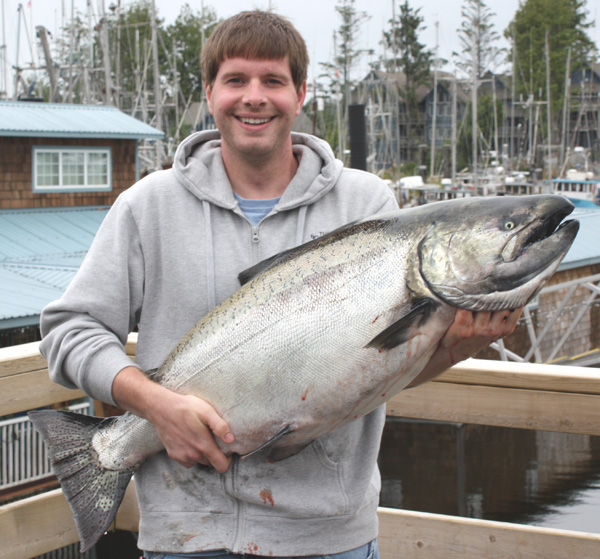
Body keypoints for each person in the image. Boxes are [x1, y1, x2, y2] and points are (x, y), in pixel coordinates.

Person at [39, 10, 521, 559]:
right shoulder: (148, 206)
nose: (254, 97)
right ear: (209, 91)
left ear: (300, 93)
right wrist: (155, 405)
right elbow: (69, 329)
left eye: (273, 81)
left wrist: (454, 350)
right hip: (187, 536)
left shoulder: (366, 206)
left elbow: (372, 376)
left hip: (328, 537)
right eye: (236, 80)